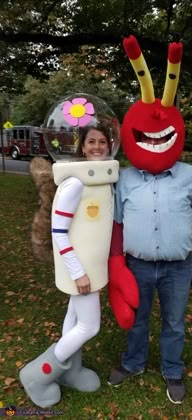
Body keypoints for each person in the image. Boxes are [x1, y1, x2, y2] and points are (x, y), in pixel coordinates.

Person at [107, 35, 192, 405]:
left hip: (178, 267)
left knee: (175, 323)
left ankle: (172, 370)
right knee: (139, 318)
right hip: (138, 265)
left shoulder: (189, 176)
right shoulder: (126, 179)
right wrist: (116, 263)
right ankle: (132, 363)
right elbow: (116, 224)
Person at [19, 94, 119, 408]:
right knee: (90, 325)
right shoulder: (75, 184)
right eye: (91, 141)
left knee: (74, 319)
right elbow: (59, 232)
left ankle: (70, 369)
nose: (98, 147)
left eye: (102, 141)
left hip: (92, 266)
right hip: (81, 269)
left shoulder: (102, 182)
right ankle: (39, 373)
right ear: (81, 146)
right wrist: (78, 272)